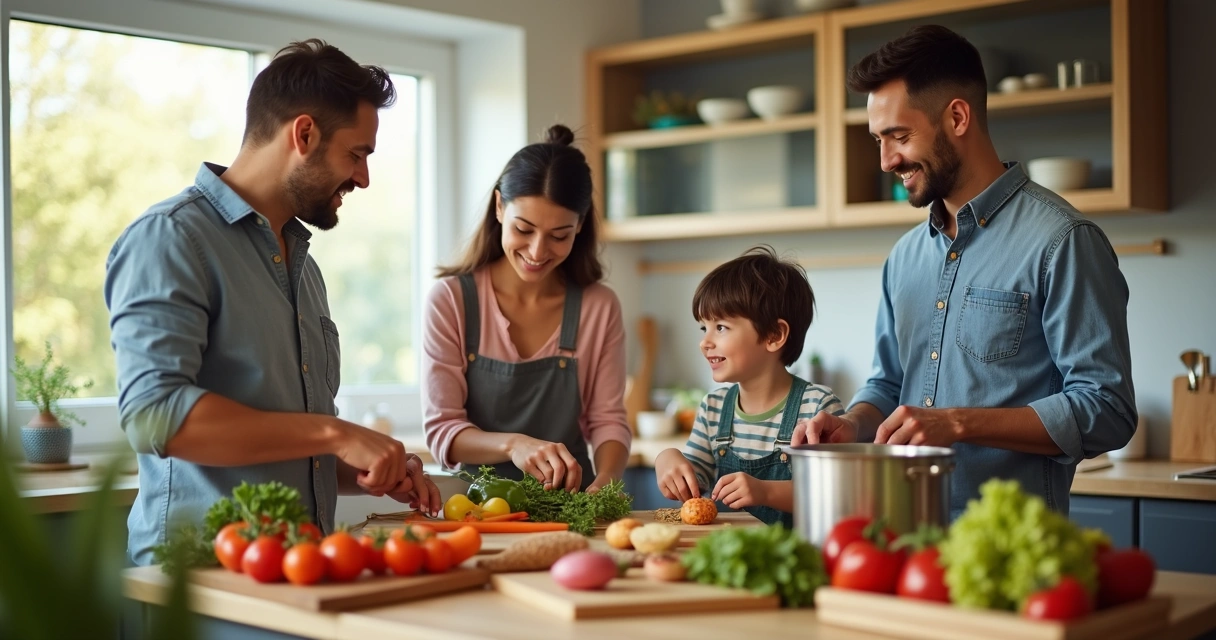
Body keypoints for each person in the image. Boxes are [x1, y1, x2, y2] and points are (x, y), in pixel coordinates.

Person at [105, 40, 438, 566]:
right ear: (303, 134)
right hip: (200, 584)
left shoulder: (304, 269)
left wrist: (369, 470)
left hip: (299, 572)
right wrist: (336, 433)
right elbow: (155, 417)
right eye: (357, 154)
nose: (363, 178)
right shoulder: (170, 239)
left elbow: (288, 446)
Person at [793, 25, 1136, 518]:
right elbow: (888, 385)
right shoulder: (904, 258)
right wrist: (852, 423)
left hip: (1010, 553)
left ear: (957, 116)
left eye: (899, 136)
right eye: (878, 140)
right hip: (904, 542)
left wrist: (956, 423)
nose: (887, 159)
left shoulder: (1062, 241)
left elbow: (1107, 411)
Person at [422, 124, 631, 493]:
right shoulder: (451, 300)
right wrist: (514, 444)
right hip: (477, 514)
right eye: (524, 229)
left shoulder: (599, 307)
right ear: (500, 207)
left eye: (559, 236)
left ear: (580, 227)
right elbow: (444, 433)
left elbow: (608, 420)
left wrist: (607, 482)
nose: (537, 251)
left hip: (571, 509)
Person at [653, 246, 844, 526]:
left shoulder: (818, 408)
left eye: (720, 327)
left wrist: (765, 491)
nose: (705, 342)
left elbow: (835, 494)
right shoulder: (713, 408)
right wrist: (667, 459)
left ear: (774, 335)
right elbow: (694, 481)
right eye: (703, 328)